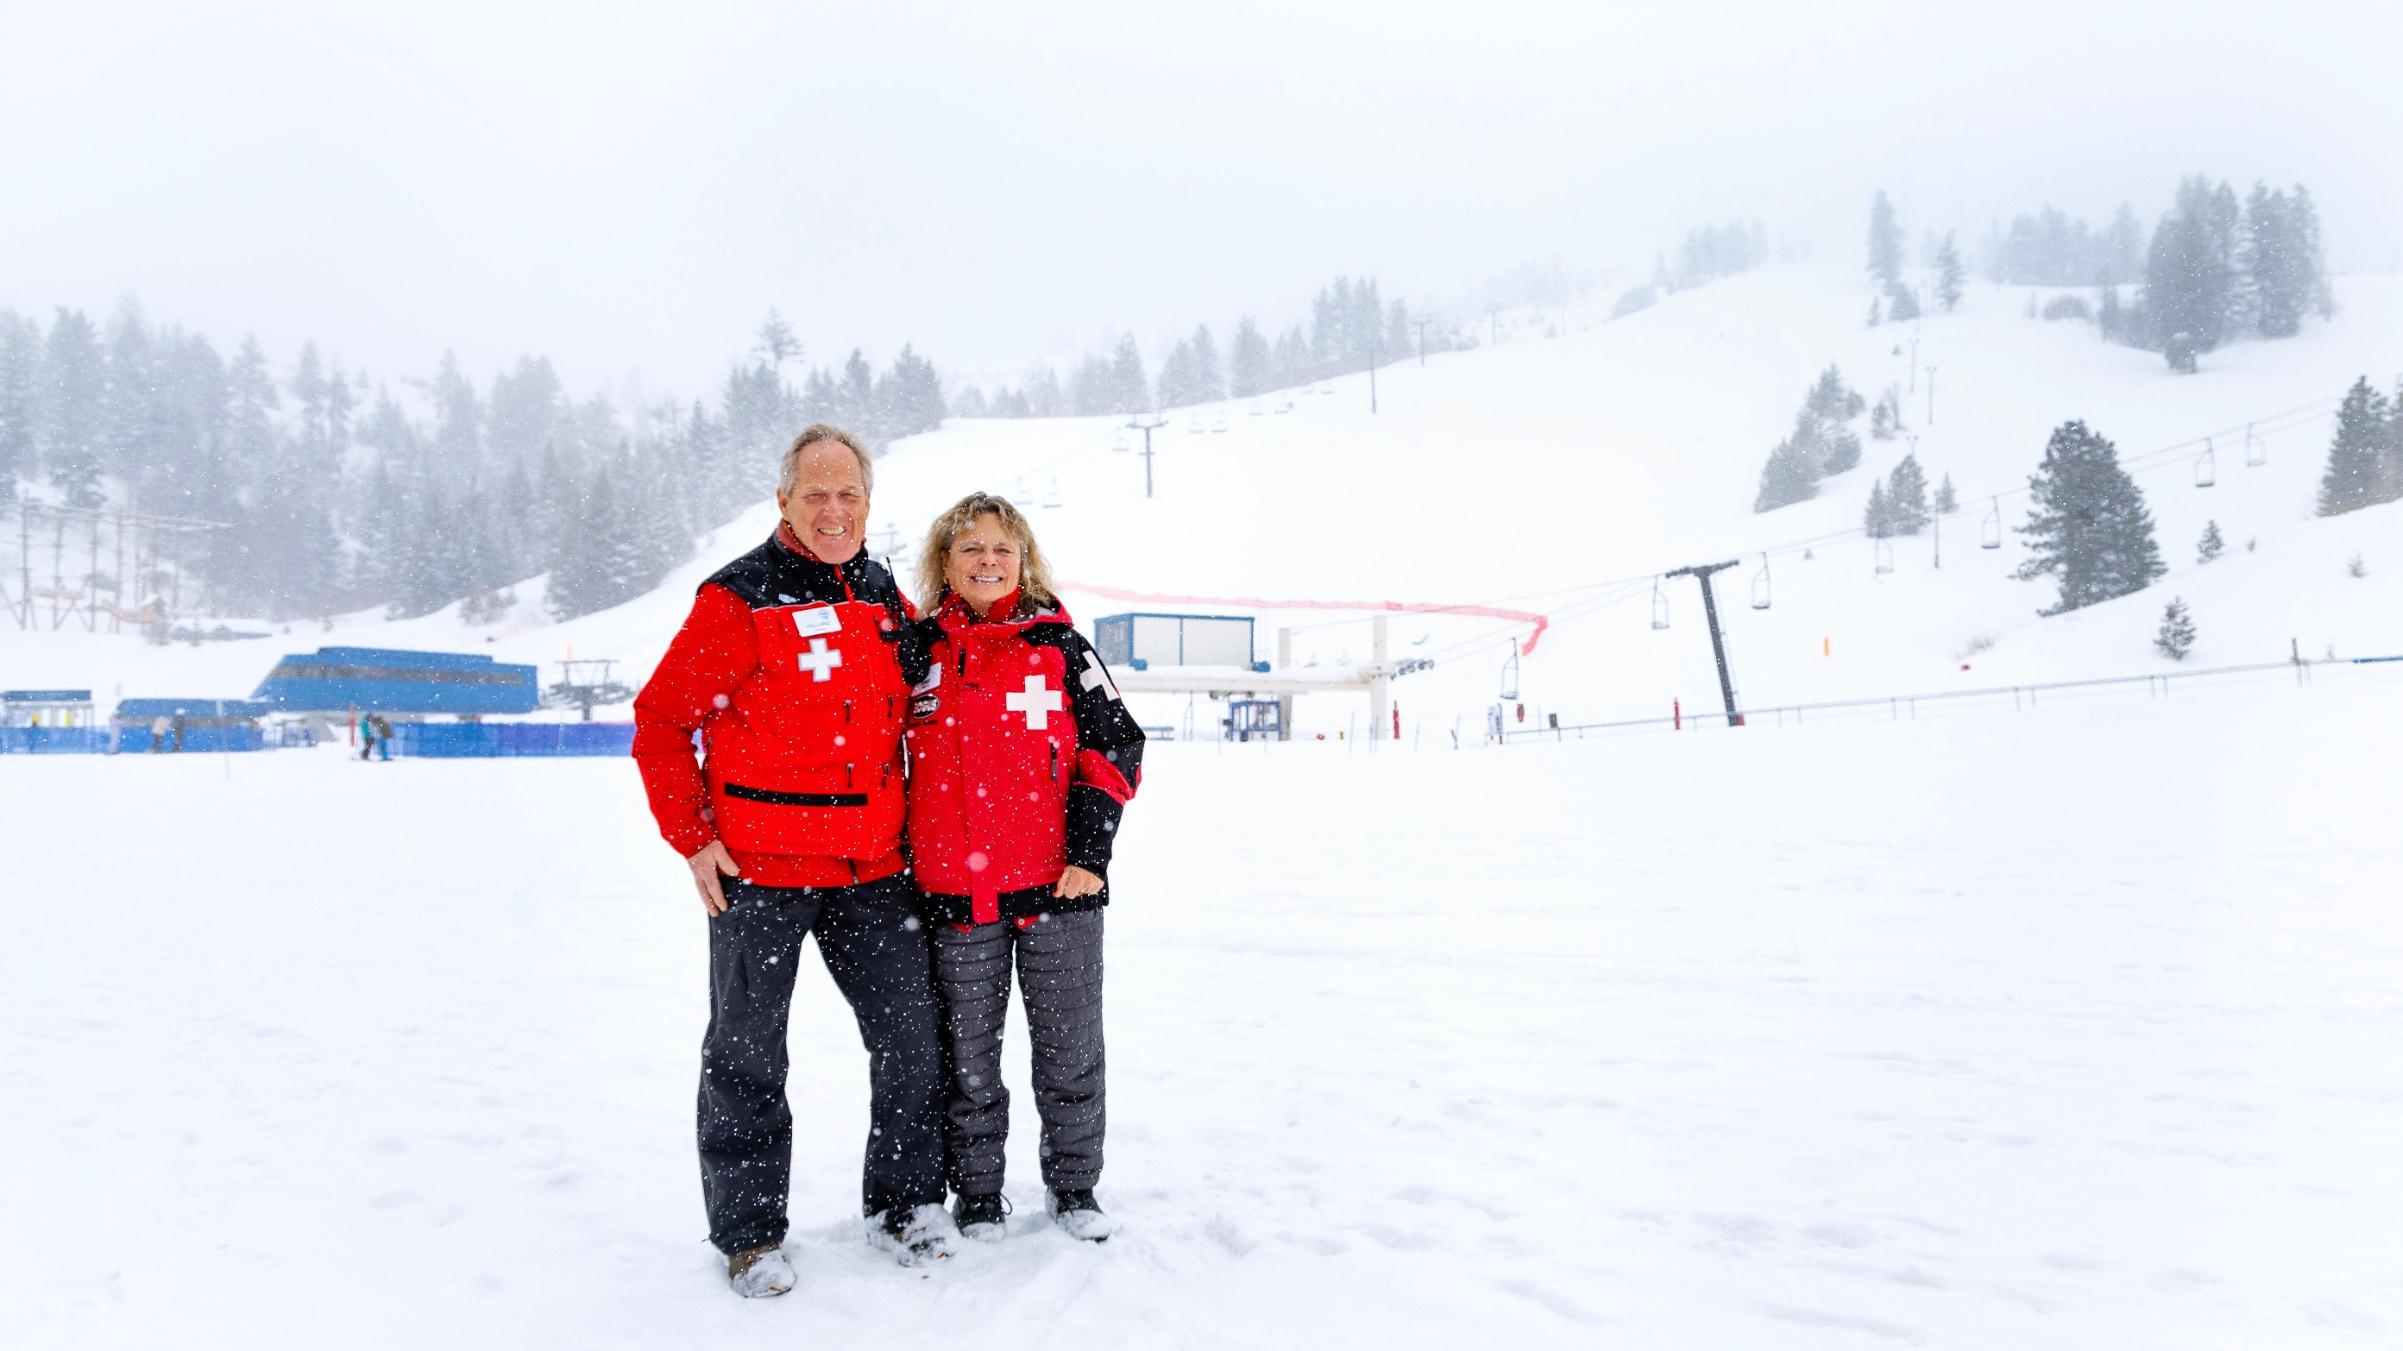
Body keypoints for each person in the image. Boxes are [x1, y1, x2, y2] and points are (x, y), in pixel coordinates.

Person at [631, 423, 950, 1297]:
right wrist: (691, 835)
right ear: (783, 500)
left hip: (874, 870)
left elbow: (932, 696)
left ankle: (906, 1203)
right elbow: (661, 723)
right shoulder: (737, 598)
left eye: (848, 494)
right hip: (760, 872)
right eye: (816, 493)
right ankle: (749, 1233)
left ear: (868, 502)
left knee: (909, 1040)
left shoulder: (886, 596)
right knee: (746, 1054)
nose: (834, 509)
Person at [903, 493, 1144, 1243]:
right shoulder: (913, 651)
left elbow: (1116, 744)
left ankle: (1073, 1188)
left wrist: (1088, 853)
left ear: (1024, 558)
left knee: (1069, 1049)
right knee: (967, 1058)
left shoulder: (1062, 648)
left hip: (1058, 890)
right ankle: (977, 1194)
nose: (987, 561)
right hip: (953, 892)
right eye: (970, 547)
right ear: (944, 562)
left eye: (1001, 548)